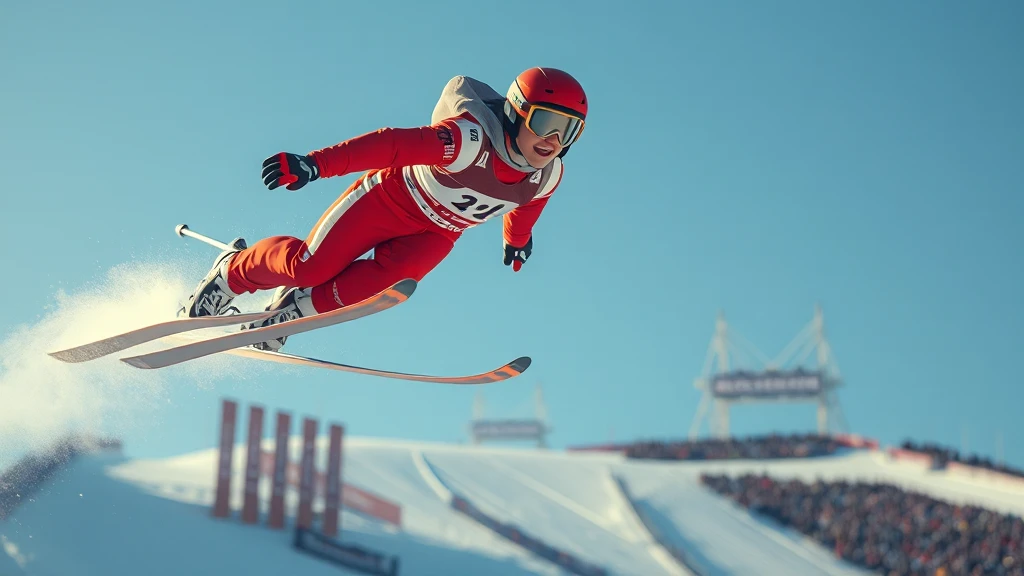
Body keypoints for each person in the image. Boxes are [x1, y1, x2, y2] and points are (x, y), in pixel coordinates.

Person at [179, 67, 588, 351]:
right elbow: (391, 144)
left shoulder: (547, 175)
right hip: (389, 201)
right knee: (311, 266)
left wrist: (516, 241)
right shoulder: (467, 139)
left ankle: (292, 313)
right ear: (517, 111)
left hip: (437, 233)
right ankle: (230, 274)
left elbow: (528, 205)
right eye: (545, 120)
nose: (552, 139)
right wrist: (317, 164)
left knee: (387, 286)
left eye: (567, 129)